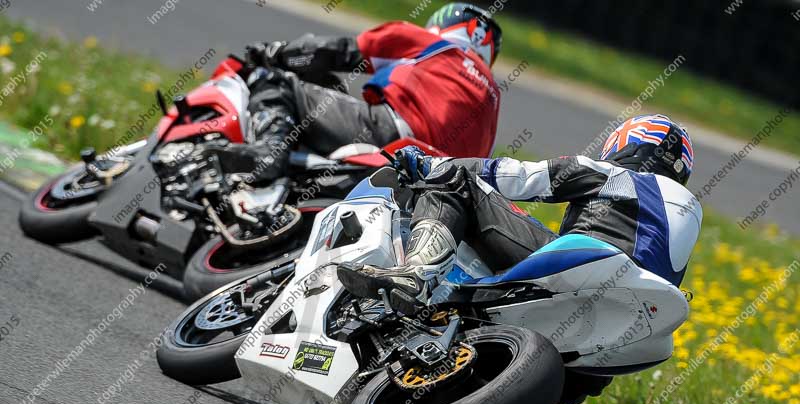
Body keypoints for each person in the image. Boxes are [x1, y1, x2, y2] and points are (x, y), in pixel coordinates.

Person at [337, 114, 703, 314]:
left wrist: (433, 166)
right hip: (631, 312)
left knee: (456, 180)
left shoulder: (618, 176)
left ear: (629, 142)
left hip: (582, 269)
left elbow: (521, 177)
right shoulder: (691, 211)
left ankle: (415, 274)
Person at [210, 3, 503, 183]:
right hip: (436, 181)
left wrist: (276, 54)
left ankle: (267, 155)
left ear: (444, 24)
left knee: (277, 84)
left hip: (393, 135)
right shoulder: (493, 97)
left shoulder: (433, 44)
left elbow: (337, 52)